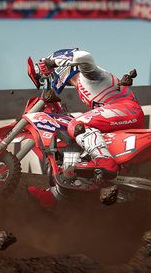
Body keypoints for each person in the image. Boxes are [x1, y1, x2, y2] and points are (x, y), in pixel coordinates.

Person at [27, 48, 144, 209]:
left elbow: (84, 56)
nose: (52, 76)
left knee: (77, 125)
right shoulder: (81, 87)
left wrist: (50, 61)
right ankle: (55, 195)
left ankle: (105, 162)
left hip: (127, 109)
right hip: (121, 116)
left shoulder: (88, 74)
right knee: (78, 146)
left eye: (53, 72)